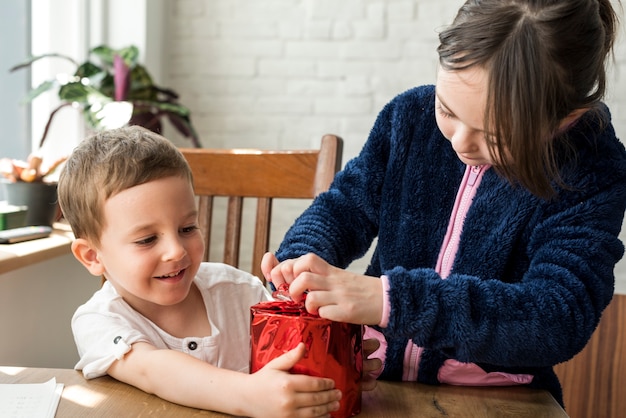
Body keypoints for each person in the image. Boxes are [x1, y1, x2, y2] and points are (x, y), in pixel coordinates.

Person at [261, 0, 626, 408]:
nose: (460, 143)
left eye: (497, 135)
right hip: (377, 381)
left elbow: (556, 317)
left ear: (565, 117)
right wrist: (302, 259)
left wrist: (391, 301)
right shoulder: (408, 117)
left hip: (499, 400)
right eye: (448, 110)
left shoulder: (591, 169)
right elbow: (345, 206)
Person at [58, 126, 350, 418]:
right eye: (147, 239)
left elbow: (297, 358)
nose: (176, 250)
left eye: (187, 228)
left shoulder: (240, 291)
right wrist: (249, 395)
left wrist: (340, 360)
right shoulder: (98, 321)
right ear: (93, 256)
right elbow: (152, 370)